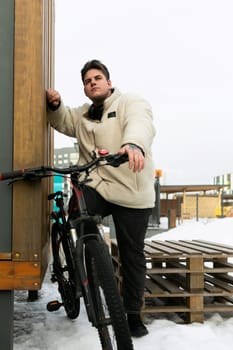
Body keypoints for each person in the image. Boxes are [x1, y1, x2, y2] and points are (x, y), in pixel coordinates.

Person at [46, 59, 156, 337]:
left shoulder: (130, 103)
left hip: (129, 187)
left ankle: (132, 313)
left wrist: (133, 144)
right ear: (84, 88)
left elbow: (141, 124)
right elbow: (62, 120)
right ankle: (91, 268)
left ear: (108, 82)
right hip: (96, 183)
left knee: (132, 253)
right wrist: (56, 105)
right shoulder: (83, 114)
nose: (92, 82)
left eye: (97, 78)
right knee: (81, 221)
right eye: (87, 81)